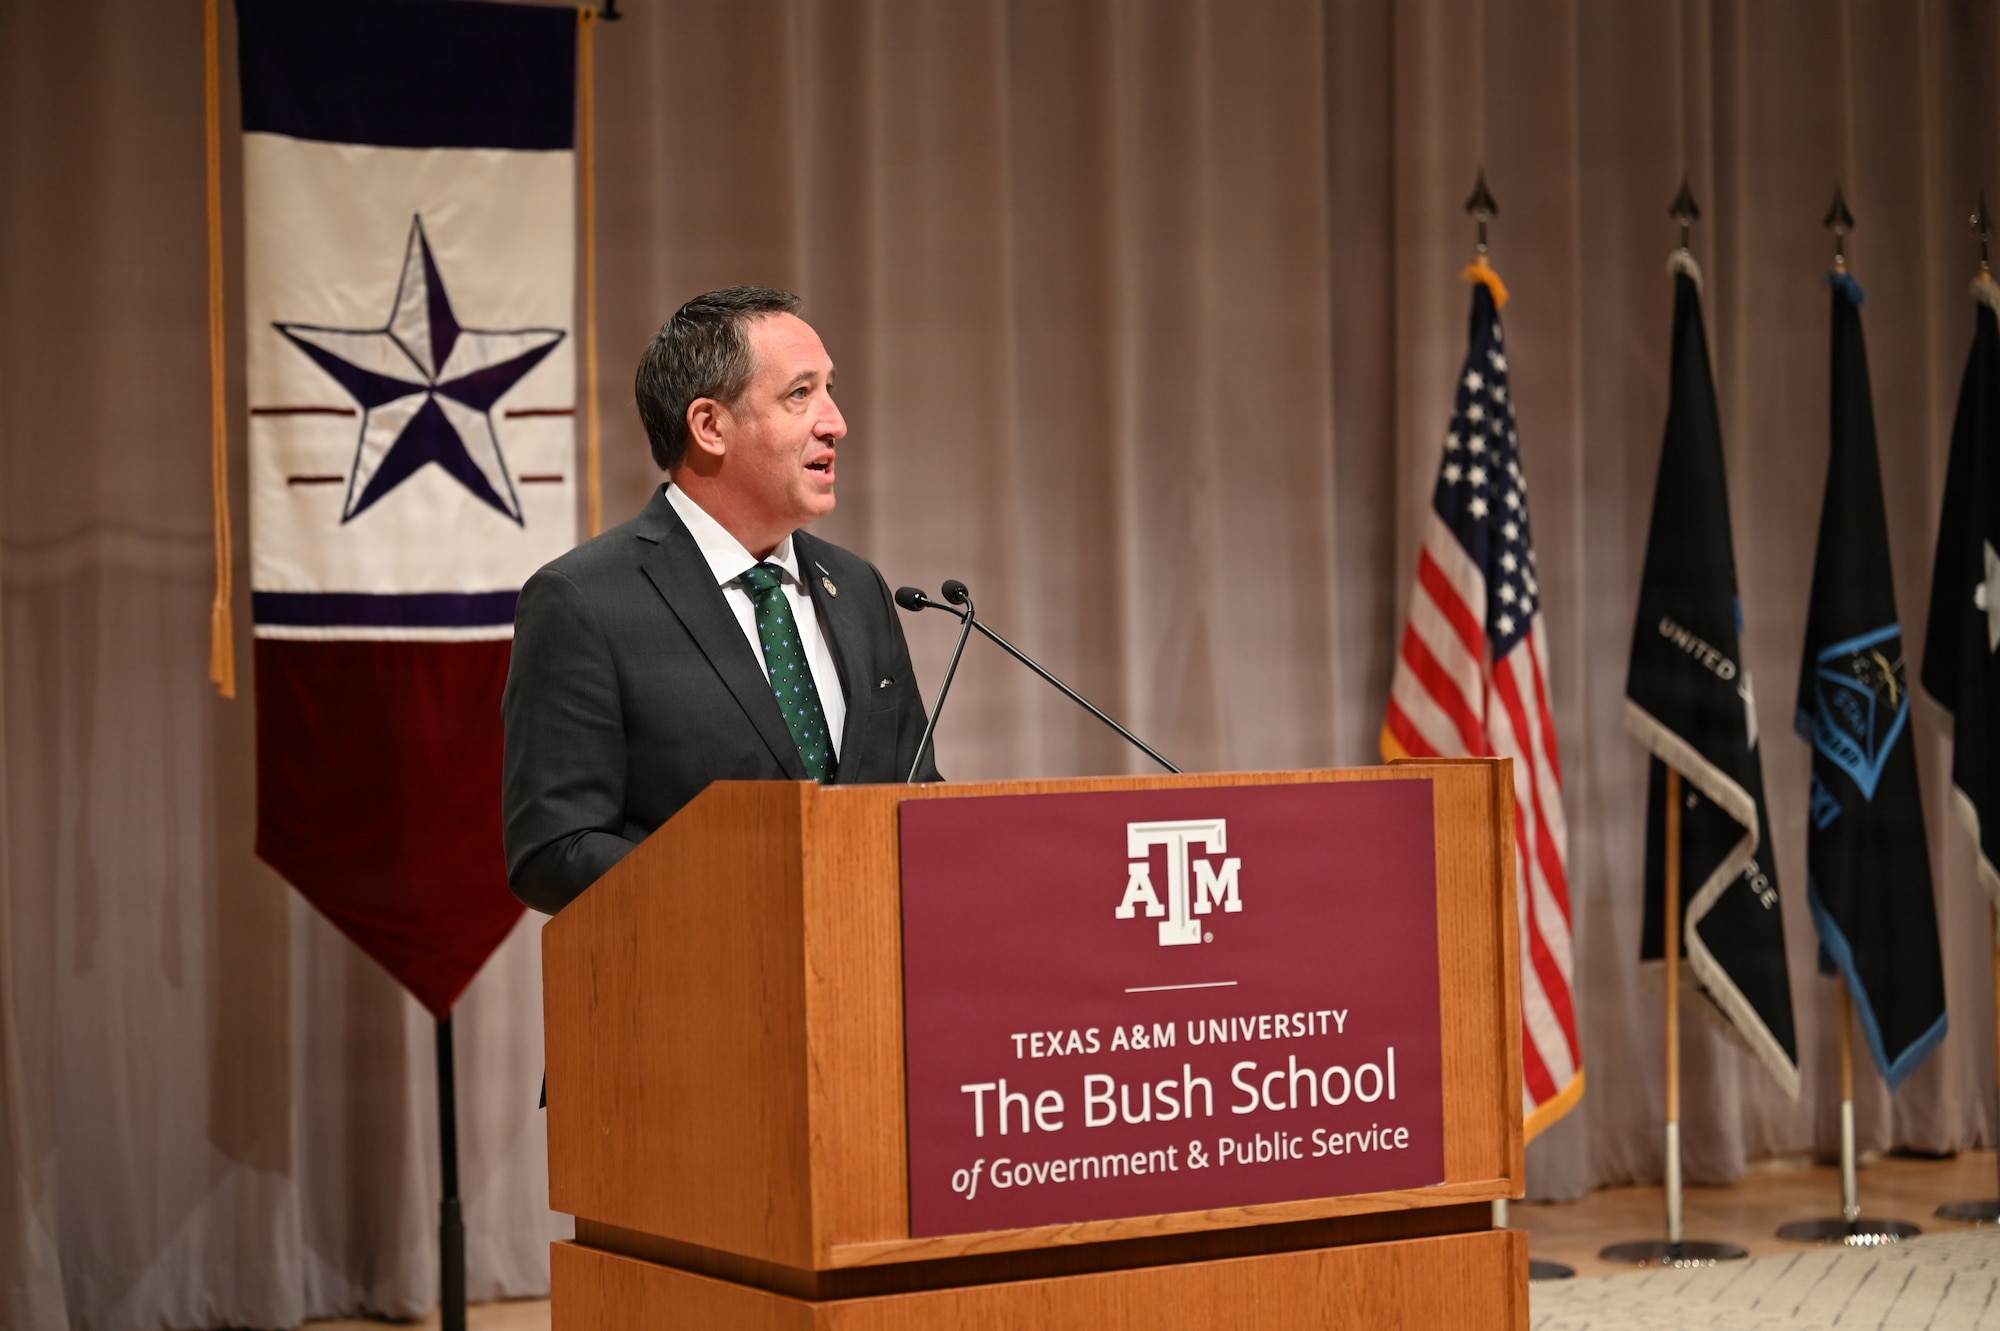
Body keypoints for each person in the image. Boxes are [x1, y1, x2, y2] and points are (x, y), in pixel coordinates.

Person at [502, 286, 940, 915]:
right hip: (698, 992)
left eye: (830, 389)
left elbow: (912, 794)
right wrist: (751, 887)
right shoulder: (584, 602)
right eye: (800, 394)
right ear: (710, 427)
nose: (835, 422)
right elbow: (553, 850)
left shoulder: (860, 588)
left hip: (867, 988)